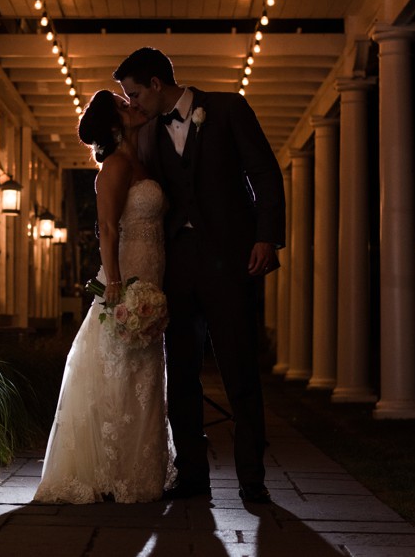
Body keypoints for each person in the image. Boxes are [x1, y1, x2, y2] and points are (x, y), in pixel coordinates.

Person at [114, 47, 286, 504]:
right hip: (176, 266)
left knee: (240, 370)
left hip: (231, 262)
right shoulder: (147, 130)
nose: (131, 103)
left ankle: (252, 479)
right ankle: (193, 475)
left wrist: (266, 237)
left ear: (156, 83)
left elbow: (265, 174)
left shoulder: (229, 108)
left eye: (133, 93)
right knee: (181, 372)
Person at [33, 89, 175, 504]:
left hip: (153, 276)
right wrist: (115, 284)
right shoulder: (114, 166)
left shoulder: (142, 160)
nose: (130, 104)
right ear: (113, 123)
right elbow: (108, 229)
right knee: (117, 371)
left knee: (145, 376)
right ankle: (108, 471)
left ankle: (139, 469)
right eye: (121, 103)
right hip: (126, 280)